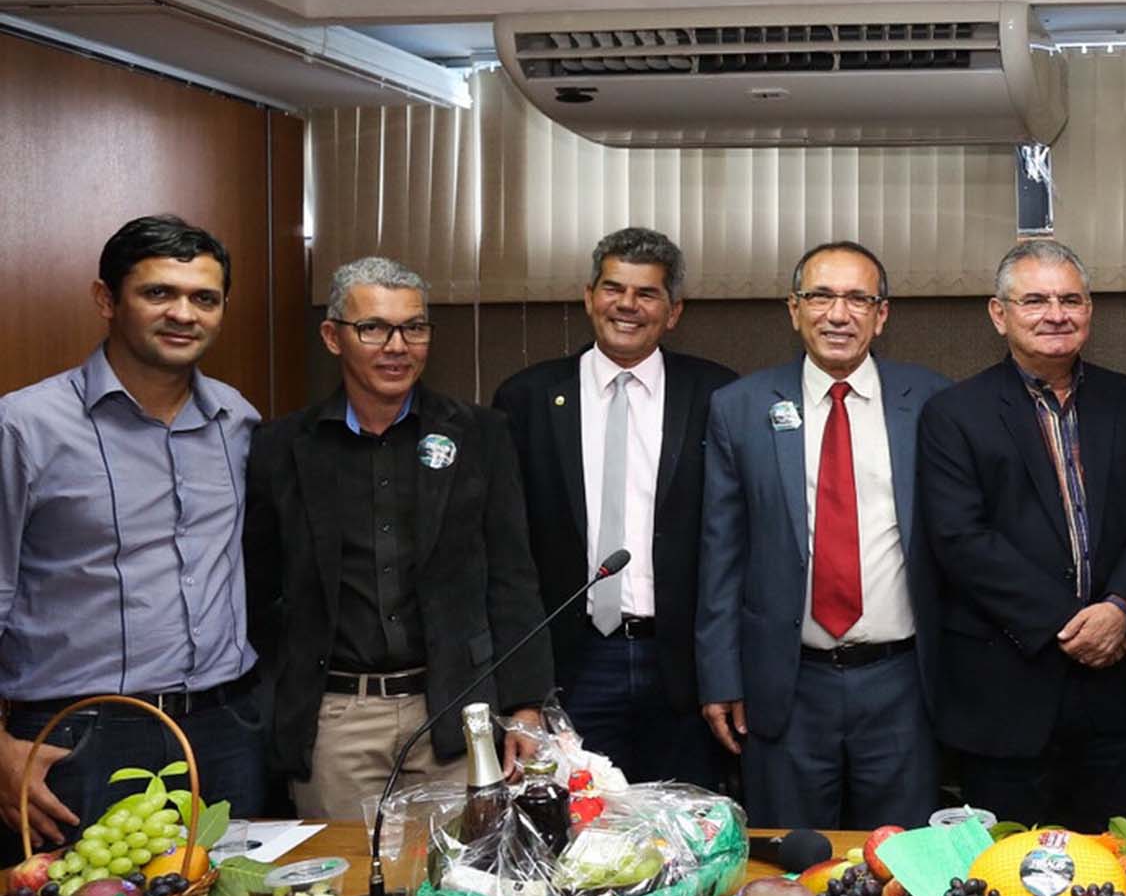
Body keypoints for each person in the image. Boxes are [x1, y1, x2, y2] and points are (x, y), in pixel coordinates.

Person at [245, 257, 551, 820]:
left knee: (461, 869)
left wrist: (526, 706)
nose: (397, 346)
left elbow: (512, 577)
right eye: (374, 328)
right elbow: (258, 586)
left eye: (414, 328)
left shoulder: (481, 436)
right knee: (344, 871)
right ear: (332, 336)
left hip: (456, 711)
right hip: (338, 720)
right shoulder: (282, 446)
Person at [0, 216, 265, 846]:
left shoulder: (238, 421)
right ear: (106, 299)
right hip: (76, 740)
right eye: (158, 293)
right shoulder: (24, 428)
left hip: (224, 731)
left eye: (204, 298)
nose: (184, 314)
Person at [918, 238, 1126, 829]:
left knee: (1125, 861)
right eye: (1034, 300)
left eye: (1070, 300)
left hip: (1120, 684)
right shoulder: (955, 413)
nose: (1055, 314)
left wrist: (1120, 608)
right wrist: (1072, 623)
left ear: (1090, 309)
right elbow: (961, 538)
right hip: (1008, 690)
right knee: (1006, 866)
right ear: (999, 313)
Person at [696, 242, 948, 828]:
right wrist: (720, 677)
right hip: (786, 685)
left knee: (902, 861)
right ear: (794, 309)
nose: (839, 314)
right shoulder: (740, 408)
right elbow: (721, 554)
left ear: (881, 315)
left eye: (858, 299)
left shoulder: (931, 401)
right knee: (789, 858)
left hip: (902, 683)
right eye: (821, 296)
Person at [493, 228, 735, 786]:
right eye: (613, 288)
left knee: (684, 823)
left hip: (682, 671)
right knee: (581, 823)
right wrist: (521, 692)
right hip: (572, 668)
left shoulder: (716, 395)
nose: (627, 305)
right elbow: (507, 555)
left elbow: (734, 542)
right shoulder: (526, 398)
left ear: (673, 312)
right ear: (588, 297)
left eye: (647, 293)